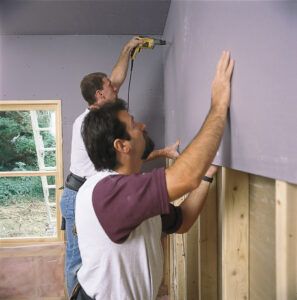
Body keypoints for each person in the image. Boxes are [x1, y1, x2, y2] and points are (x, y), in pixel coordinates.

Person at [74, 51, 234, 299]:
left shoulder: (133, 194)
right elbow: (185, 177)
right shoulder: (106, 193)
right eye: (134, 124)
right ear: (122, 145)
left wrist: (207, 175)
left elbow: (182, 220)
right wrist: (218, 106)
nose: (142, 127)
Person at [60, 36, 179, 297]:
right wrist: (164, 153)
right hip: (77, 194)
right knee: (77, 261)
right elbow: (126, 152)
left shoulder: (100, 113)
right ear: (100, 95)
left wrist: (128, 48)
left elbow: (116, 77)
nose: (116, 89)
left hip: (87, 192)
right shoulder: (89, 125)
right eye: (111, 88)